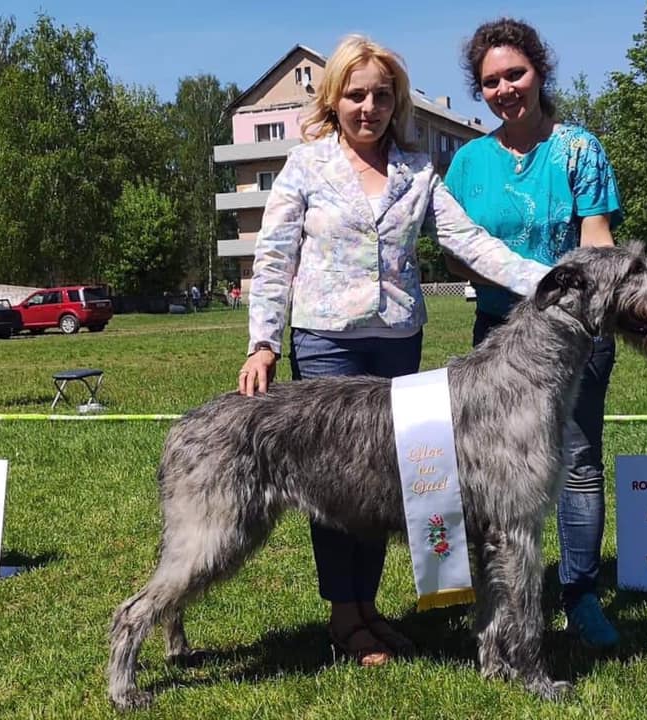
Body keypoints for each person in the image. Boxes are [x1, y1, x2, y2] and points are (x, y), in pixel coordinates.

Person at [237, 34, 549, 667]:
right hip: (324, 342)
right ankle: (343, 616)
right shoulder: (306, 165)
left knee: (388, 484)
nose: (368, 107)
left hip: (397, 343)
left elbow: (471, 242)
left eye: (381, 95)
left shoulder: (415, 171)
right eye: (356, 95)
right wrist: (264, 341)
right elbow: (273, 258)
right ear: (334, 99)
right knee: (333, 485)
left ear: (395, 102)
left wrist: (546, 280)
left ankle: (370, 609)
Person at [444, 18, 623, 649]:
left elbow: (596, 245)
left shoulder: (579, 149)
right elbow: (454, 255)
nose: (504, 89)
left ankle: (580, 594)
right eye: (490, 81)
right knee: (486, 475)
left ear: (539, 73)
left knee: (576, 464)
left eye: (514, 74)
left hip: (574, 338)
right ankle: (499, 603)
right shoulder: (467, 162)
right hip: (497, 336)